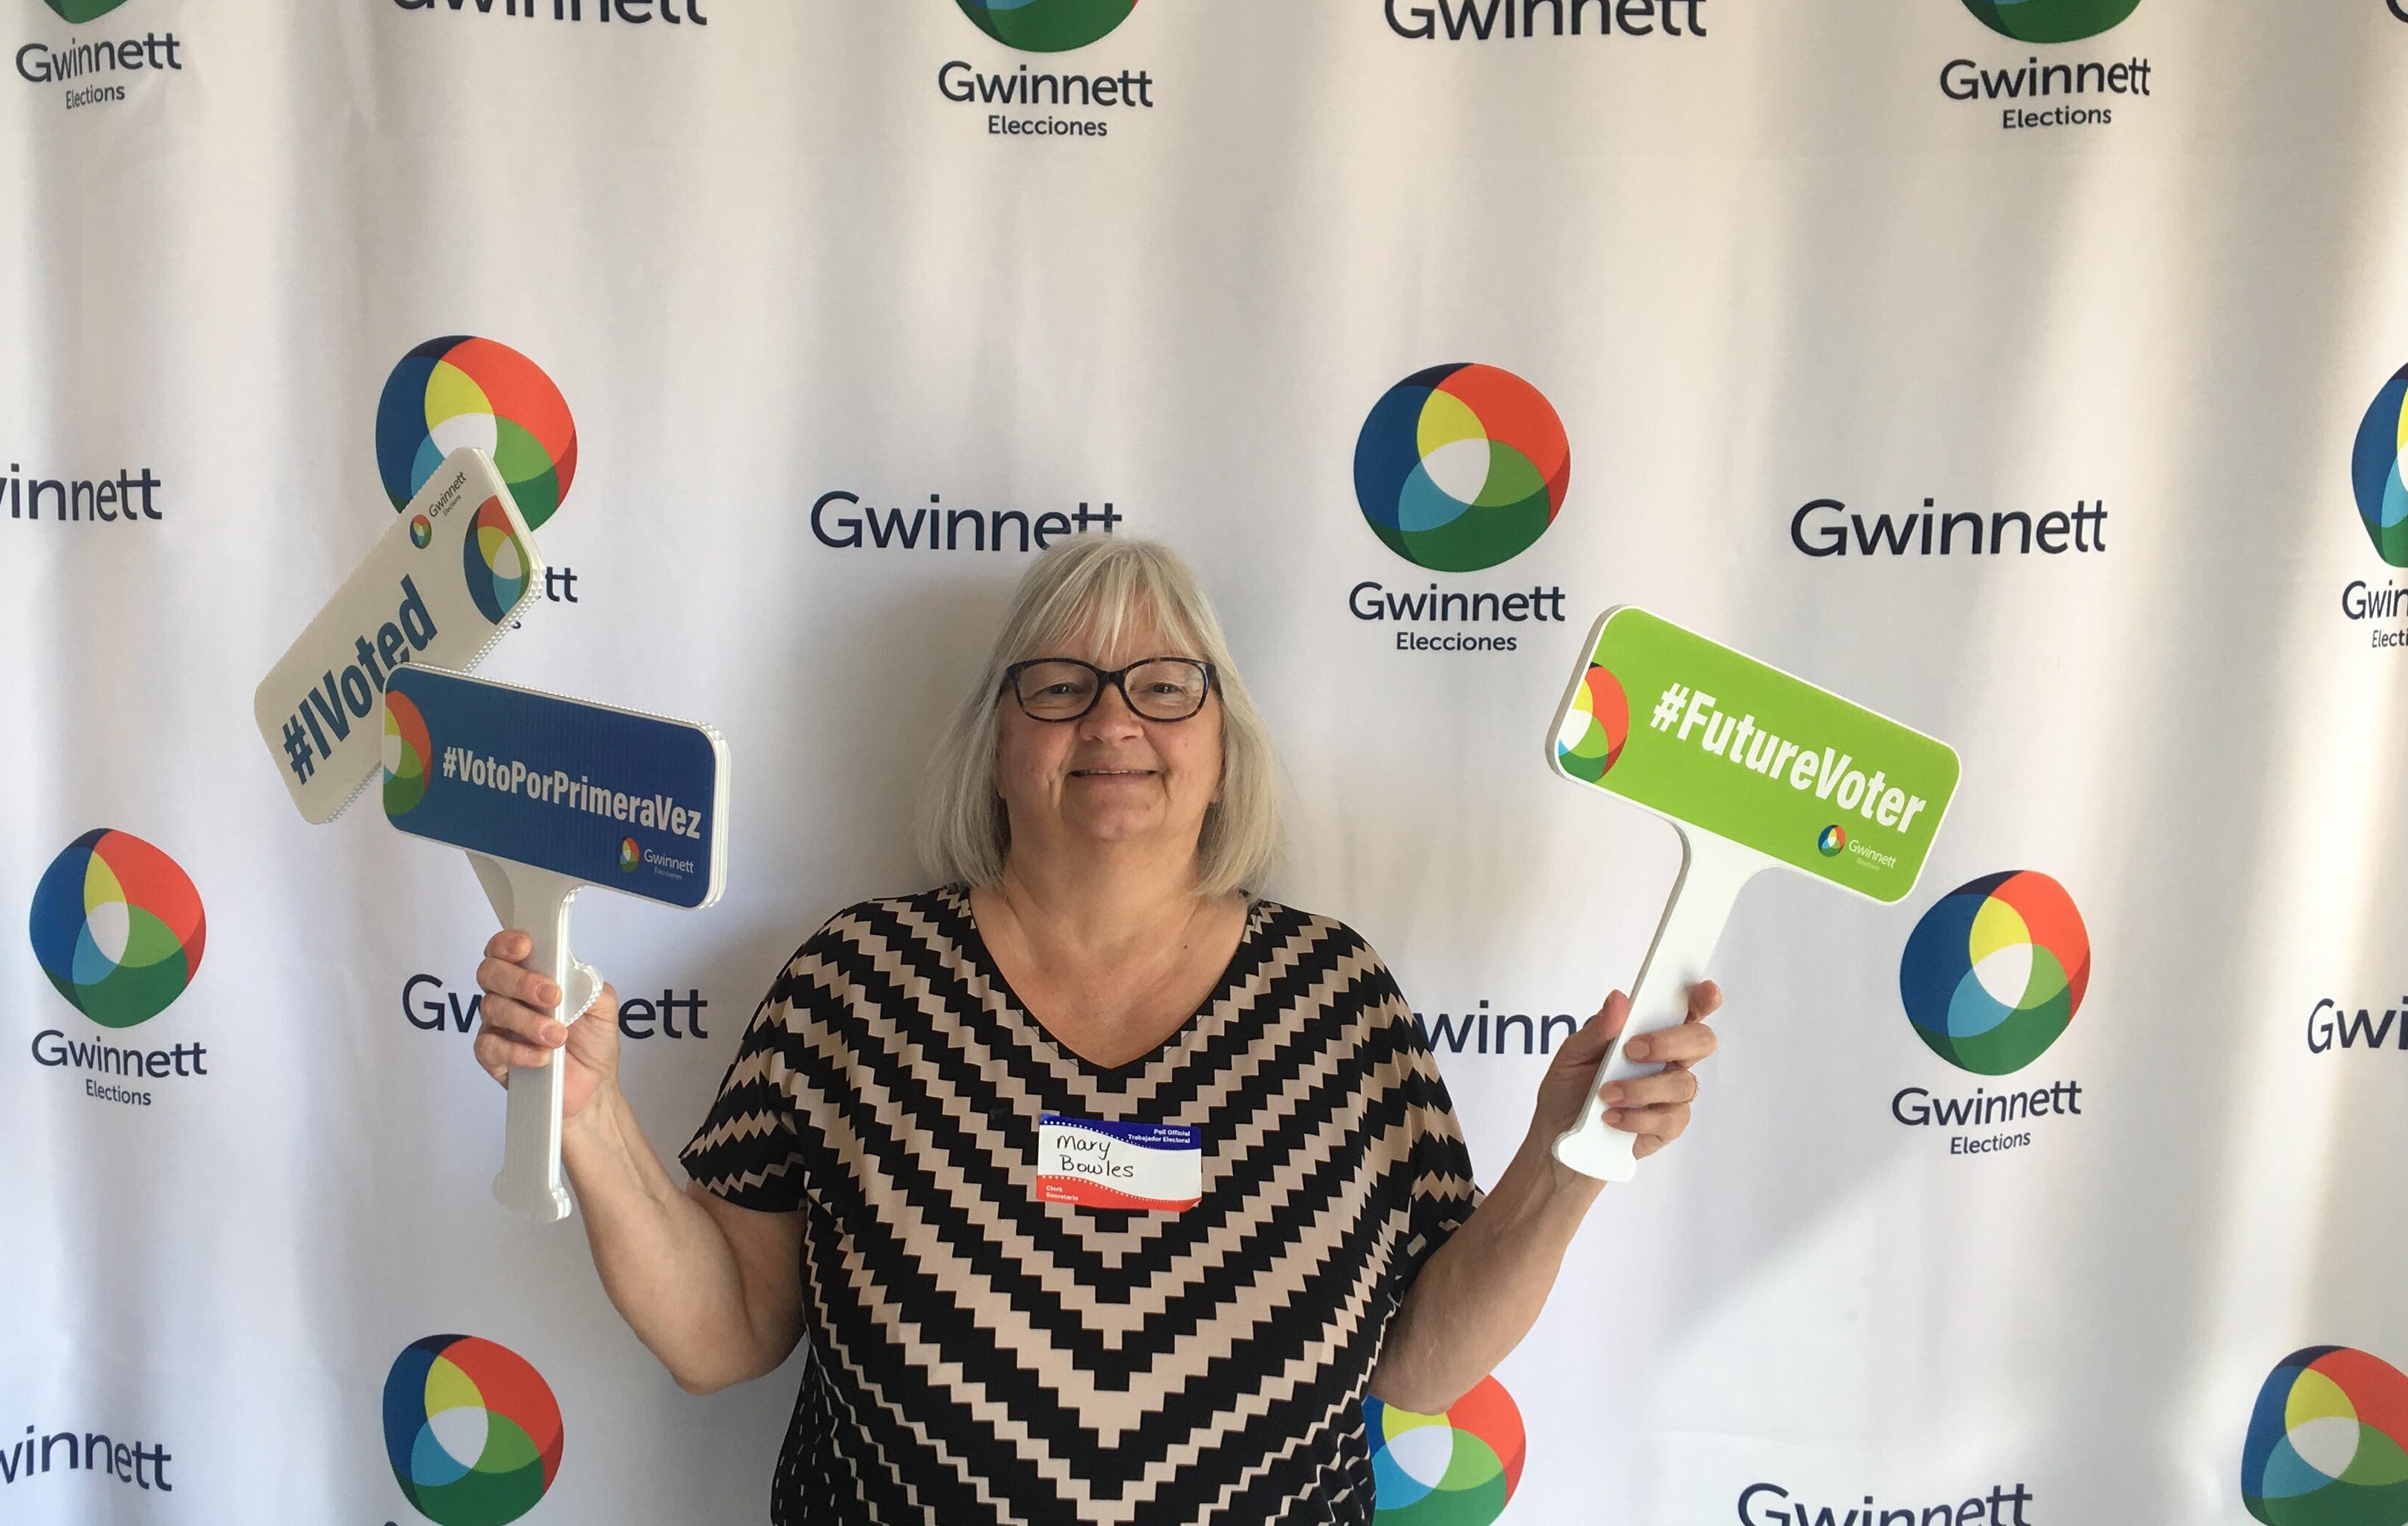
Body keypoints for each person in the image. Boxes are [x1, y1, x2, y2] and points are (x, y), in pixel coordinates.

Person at [471, 536, 1721, 1524]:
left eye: (1167, 687)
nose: (1115, 723)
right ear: (1000, 747)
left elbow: (1420, 1366)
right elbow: (724, 1333)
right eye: (1061, 687)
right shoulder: (857, 983)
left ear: (1223, 750)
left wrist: (1565, 1165)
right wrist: (587, 1121)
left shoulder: (1339, 999)